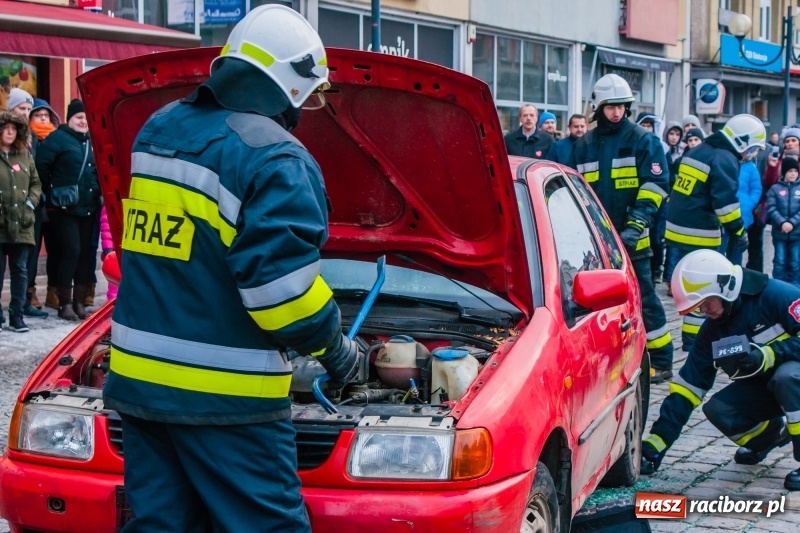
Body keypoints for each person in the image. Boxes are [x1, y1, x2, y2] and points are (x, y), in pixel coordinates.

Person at [102, 6, 361, 531]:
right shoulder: (276, 159)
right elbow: (280, 296)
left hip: (139, 388)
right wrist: (340, 352)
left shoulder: (159, 128)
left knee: (159, 525)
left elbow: (168, 253)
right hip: (227, 401)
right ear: (292, 86)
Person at [642, 249, 800, 491]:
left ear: (725, 288)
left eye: (706, 303)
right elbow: (687, 388)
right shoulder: (713, 330)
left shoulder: (777, 296)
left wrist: (769, 354)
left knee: (787, 376)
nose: (703, 311)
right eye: (697, 307)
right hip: (773, 388)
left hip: (792, 380)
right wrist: (656, 444)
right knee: (720, 410)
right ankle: (771, 436)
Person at [568, 73, 675, 384]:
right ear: (599, 107)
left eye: (622, 106)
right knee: (597, 303)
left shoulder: (643, 141)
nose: (616, 112)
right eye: (610, 106)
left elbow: (655, 186)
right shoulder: (584, 144)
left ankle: (662, 360)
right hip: (596, 241)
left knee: (644, 297)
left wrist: (635, 226)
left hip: (634, 240)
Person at [665, 114, 763, 351]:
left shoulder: (700, 150)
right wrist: (739, 231)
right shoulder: (725, 158)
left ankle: (691, 339)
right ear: (742, 141)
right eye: (752, 147)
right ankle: (697, 340)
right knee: (706, 287)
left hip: (677, 228)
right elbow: (725, 205)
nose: (752, 153)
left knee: (692, 285)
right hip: (700, 231)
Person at [35, 99, 101, 321]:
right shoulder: (57, 139)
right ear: (69, 119)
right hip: (63, 208)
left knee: (84, 254)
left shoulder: (92, 142)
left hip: (88, 206)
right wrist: (51, 192)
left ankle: (80, 302)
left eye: (85, 118)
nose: (83, 121)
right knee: (71, 251)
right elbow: (41, 167)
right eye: (79, 117)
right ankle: (64, 303)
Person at [0, 111, 41, 333]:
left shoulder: (24, 154)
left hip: (23, 223)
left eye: (13, 128)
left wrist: (30, 205)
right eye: (5, 128)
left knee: (20, 269)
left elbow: (36, 183)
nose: (9, 132)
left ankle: (17, 315)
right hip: (0, 223)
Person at [21, 99, 59, 319]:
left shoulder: (57, 139)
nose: (43, 118)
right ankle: (29, 293)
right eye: (38, 115)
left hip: (55, 205)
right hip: (33, 203)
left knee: (57, 249)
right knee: (31, 253)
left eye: (46, 115)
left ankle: (53, 293)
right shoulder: (28, 140)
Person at [750, 128, 800, 272]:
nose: (790, 144)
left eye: (793, 141)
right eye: (787, 141)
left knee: (795, 257)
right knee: (779, 257)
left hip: (797, 214)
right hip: (779, 211)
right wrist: (772, 168)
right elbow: (768, 184)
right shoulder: (777, 159)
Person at [767, 157, 800, 285]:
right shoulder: (775, 188)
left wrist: (792, 223)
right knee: (779, 261)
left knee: (795, 261)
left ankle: (795, 287)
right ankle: (779, 285)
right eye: (790, 170)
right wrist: (782, 223)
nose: (793, 173)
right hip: (779, 233)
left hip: (796, 233)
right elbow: (771, 208)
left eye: (795, 171)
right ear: (784, 172)